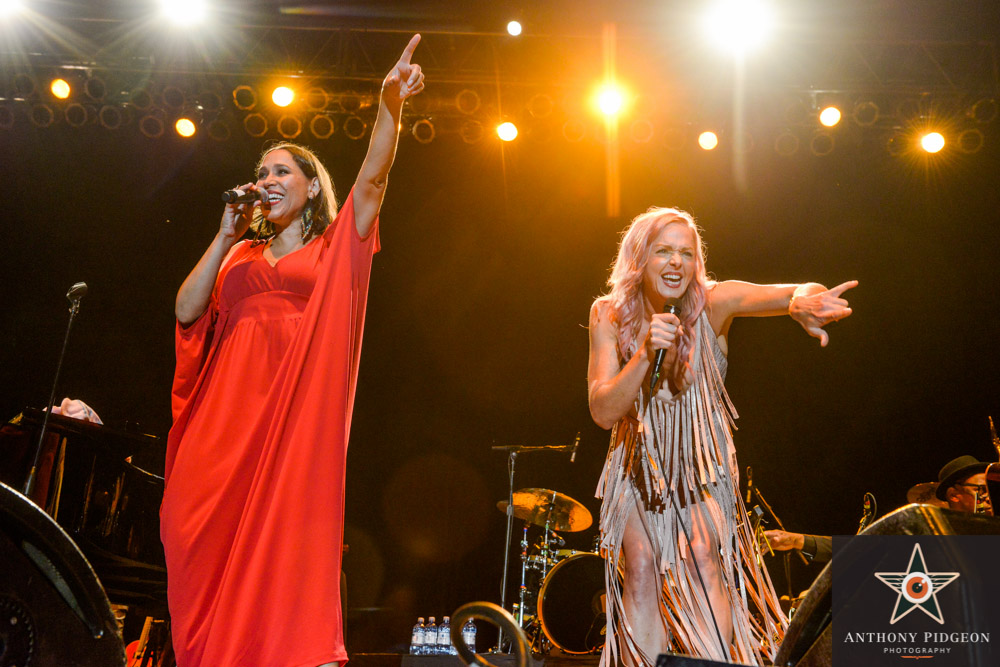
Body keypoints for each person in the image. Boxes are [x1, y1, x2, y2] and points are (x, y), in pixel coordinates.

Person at [160, 35, 424, 667]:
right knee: (187, 532)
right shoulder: (240, 255)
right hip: (221, 422)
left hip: (290, 418)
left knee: (279, 552)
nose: (268, 180)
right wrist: (224, 237)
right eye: (263, 173)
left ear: (311, 186)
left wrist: (389, 105)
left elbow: (374, 178)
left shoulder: (335, 250)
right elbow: (186, 311)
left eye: (282, 171)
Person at [588, 206, 856, 666]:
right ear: (640, 258)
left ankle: (712, 662)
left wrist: (803, 302)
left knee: (702, 555)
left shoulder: (715, 301)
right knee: (642, 566)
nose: (676, 262)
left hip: (700, 466)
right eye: (663, 251)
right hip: (638, 467)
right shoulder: (608, 314)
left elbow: (793, 290)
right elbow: (603, 411)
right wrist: (645, 354)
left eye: (686, 253)